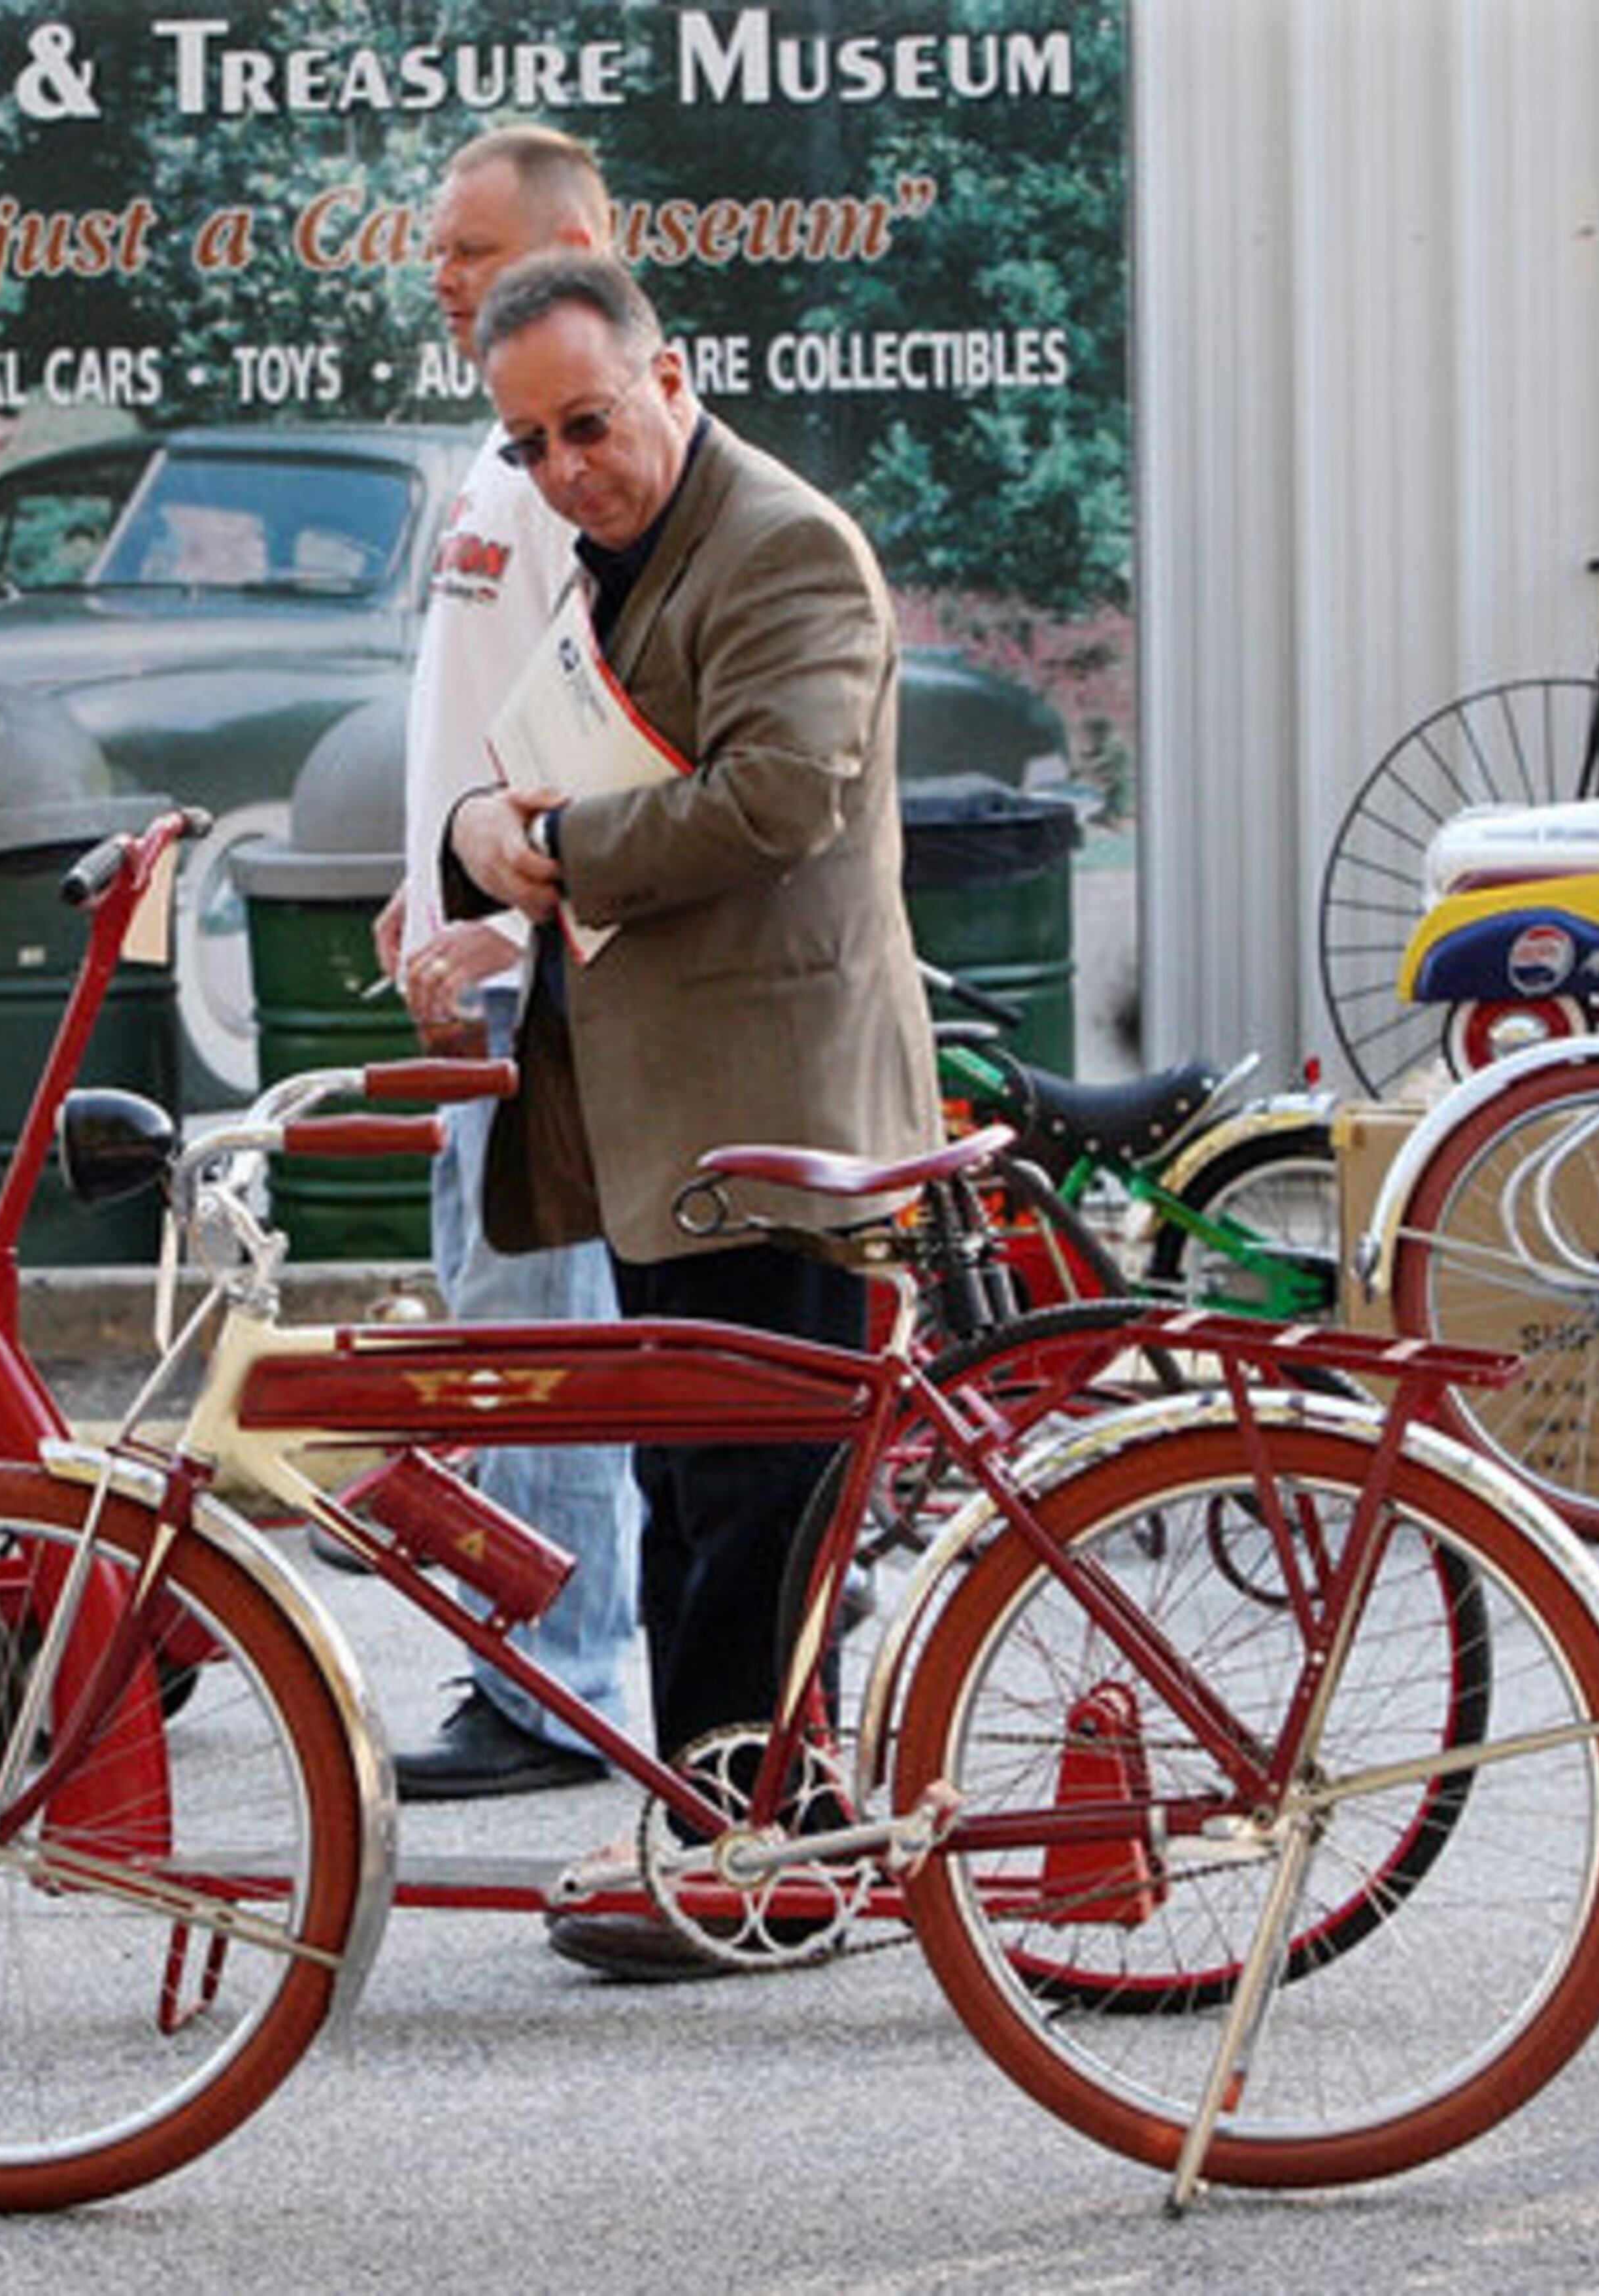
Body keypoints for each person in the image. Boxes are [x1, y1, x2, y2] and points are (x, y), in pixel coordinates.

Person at [443, 249, 941, 1977]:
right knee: (694, 1488)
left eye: (588, 421)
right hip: (689, 1124)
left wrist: (554, 850)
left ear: (671, 377)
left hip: (781, 1119)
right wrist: (486, 846)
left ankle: (753, 1850)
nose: (566, 464)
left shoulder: (782, 539)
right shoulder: (630, 549)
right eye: (529, 442)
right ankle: (736, 1821)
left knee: (756, 1495)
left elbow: (783, 795)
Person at [377, 127, 643, 1800]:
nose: (447, 278)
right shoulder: (504, 458)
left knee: (544, 1334)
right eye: (441, 258)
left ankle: (557, 1685)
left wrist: (508, 916)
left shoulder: (589, 461)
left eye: (472, 249)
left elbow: (608, 732)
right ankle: (540, 1663)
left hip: (541, 976)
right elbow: (485, 704)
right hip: (476, 959)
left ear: (576, 242)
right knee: (506, 1329)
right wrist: (419, 889)